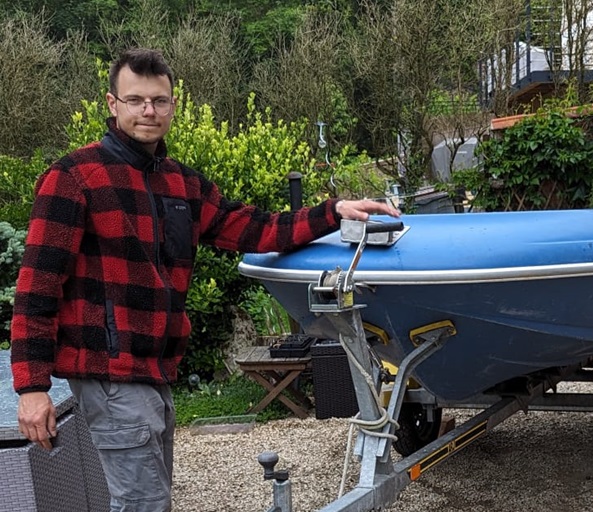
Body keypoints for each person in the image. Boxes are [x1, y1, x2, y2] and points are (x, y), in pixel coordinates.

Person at [10, 48, 399, 512]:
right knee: (143, 504)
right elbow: (36, 288)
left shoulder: (182, 184)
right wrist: (32, 388)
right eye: (136, 100)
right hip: (108, 369)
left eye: (160, 100)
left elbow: (255, 229)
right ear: (113, 104)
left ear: (174, 105)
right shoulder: (74, 177)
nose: (149, 111)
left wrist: (331, 213)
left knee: (150, 500)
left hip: (156, 369)